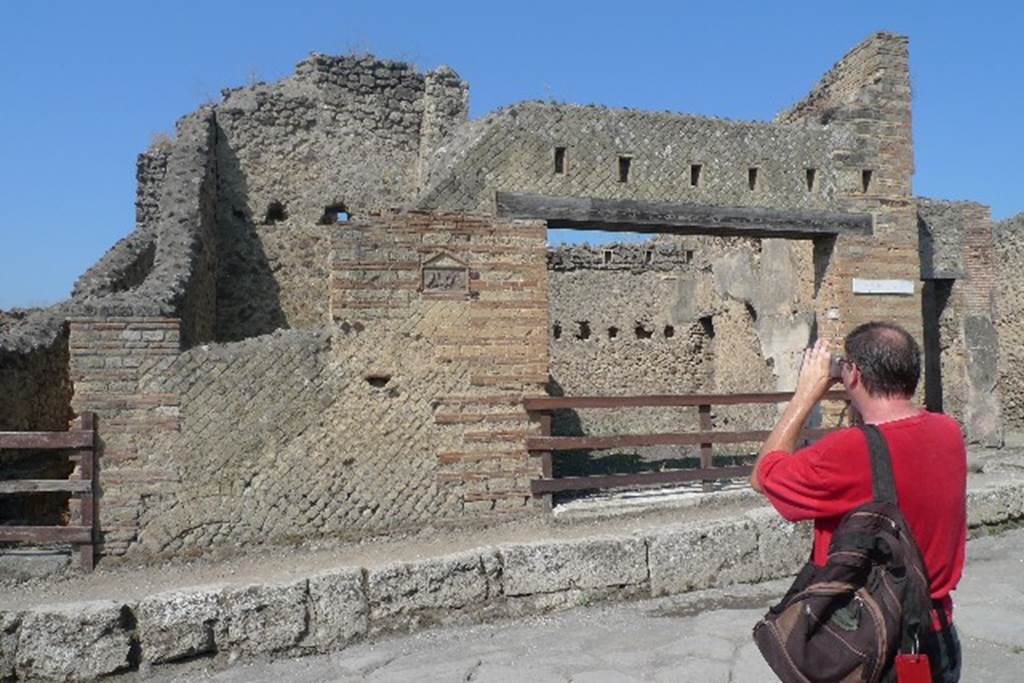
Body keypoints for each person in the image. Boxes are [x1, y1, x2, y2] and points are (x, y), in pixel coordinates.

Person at [751, 321, 965, 682]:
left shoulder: (847, 451)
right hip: (936, 637)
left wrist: (806, 394)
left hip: (869, 646)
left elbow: (763, 476)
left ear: (854, 374)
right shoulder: (948, 432)